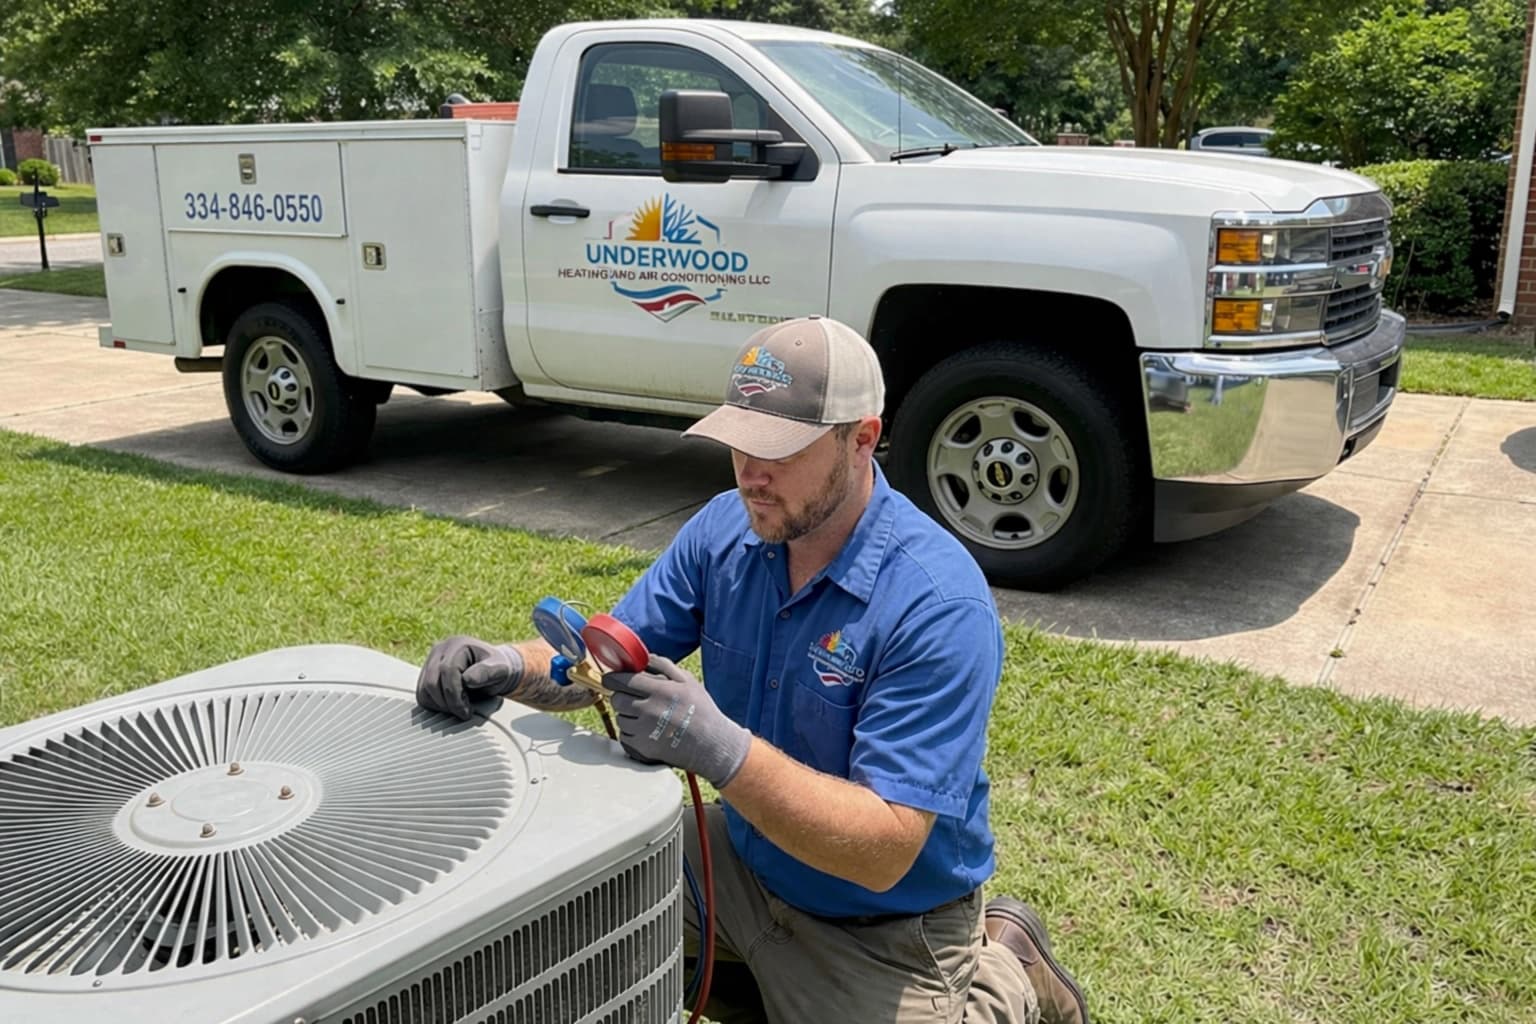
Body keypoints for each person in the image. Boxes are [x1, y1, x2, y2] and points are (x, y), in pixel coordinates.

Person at [415, 316, 1090, 1024]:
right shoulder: (724, 530)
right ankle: (758, 981)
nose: (750, 473)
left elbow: (885, 850)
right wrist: (503, 666)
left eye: (780, 450)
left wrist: (720, 750)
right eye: (738, 441)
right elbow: (604, 658)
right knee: (555, 909)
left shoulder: (935, 602)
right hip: (744, 858)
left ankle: (1005, 968)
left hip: (881, 925)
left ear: (861, 438)